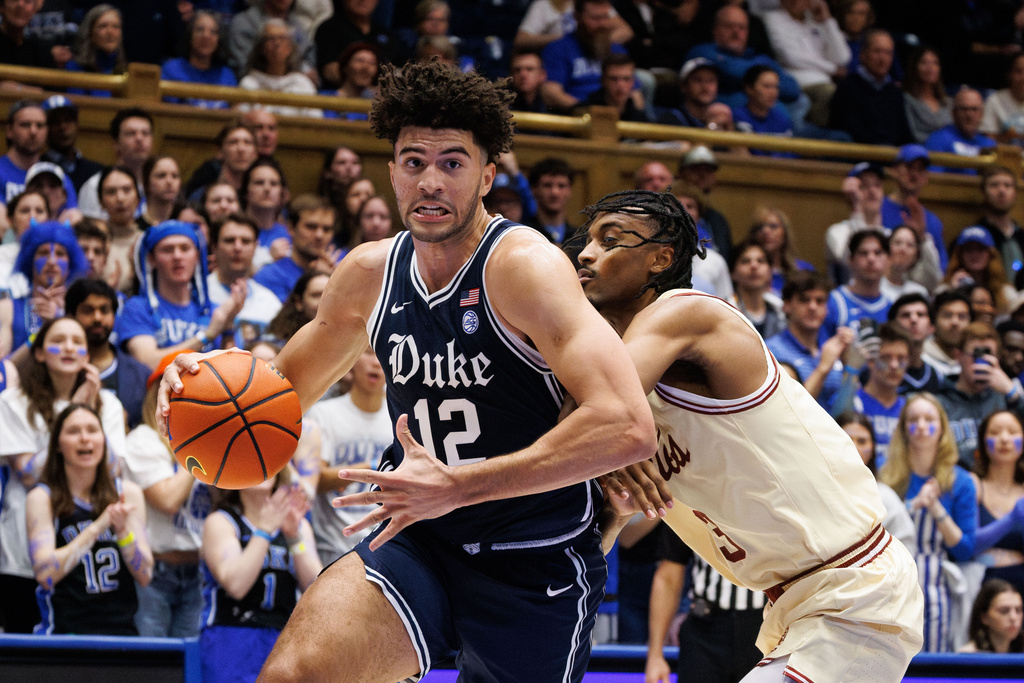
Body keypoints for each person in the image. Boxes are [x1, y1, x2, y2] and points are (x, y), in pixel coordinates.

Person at [159, 59, 655, 682]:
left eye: (453, 162)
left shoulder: (523, 265)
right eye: (414, 162)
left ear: (486, 174)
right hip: (418, 541)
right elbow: (264, 421)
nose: (432, 181)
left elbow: (628, 426)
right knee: (292, 677)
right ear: (391, 172)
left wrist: (458, 486)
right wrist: (187, 407)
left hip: (534, 557)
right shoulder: (367, 276)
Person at [573, 189, 922, 680]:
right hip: (791, 604)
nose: (586, 254)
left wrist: (605, 445)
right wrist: (612, 505)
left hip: (853, 586)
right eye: (585, 241)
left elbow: (595, 420)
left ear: (661, 258)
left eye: (610, 241)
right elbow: (597, 521)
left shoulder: (688, 313)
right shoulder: (629, 391)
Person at [0, 317, 128, 634]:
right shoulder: (13, 402)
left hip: (87, 554)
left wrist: (87, 407)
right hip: (22, 554)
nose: (69, 347)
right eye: (59, 340)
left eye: (78, 342)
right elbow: (29, 472)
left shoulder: (108, 404)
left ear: (87, 355)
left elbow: (113, 468)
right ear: (40, 352)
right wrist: (75, 407)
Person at [26, 402, 152, 635]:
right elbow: (46, 575)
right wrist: (98, 527)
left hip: (121, 635)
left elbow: (145, 575)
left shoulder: (126, 493)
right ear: (58, 446)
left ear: (104, 441)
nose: (85, 438)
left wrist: (124, 534)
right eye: (74, 431)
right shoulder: (42, 498)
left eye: (93, 430)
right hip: (63, 634)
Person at [200, 470, 320, 683]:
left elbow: (317, 590)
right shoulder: (221, 522)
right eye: (253, 464)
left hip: (283, 638)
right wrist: (264, 530)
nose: (262, 470)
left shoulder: (298, 524)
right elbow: (236, 585)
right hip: (231, 636)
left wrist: (294, 538)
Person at [880, 394, 977, 652]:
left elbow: (965, 548)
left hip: (936, 582)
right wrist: (914, 506)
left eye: (929, 419)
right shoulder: (886, 475)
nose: (922, 426)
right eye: (914, 420)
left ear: (942, 428)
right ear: (903, 429)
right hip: (891, 580)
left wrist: (935, 508)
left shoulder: (961, 481)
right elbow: (876, 531)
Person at [116, 220, 245, 369]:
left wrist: (228, 329)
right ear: (152, 259)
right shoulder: (138, 308)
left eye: (185, 248)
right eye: (167, 250)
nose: (177, 256)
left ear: (197, 256)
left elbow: (235, 370)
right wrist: (207, 335)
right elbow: (147, 362)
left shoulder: (215, 311)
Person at [305, 346, 391, 566]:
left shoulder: (399, 417)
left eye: (382, 353)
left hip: (387, 546)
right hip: (333, 547)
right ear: (351, 359)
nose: (376, 362)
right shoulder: (324, 413)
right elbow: (316, 479)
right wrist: (373, 467)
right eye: (370, 352)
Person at [936, 322, 1024, 471]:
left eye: (988, 355)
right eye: (976, 355)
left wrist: (1012, 393)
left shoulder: (1006, 398)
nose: (982, 362)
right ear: (958, 356)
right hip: (956, 484)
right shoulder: (939, 402)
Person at [65, 278, 151, 430]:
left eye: (104, 310)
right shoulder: (57, 369)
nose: (97, 318)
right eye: (88, 310)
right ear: (71, 315)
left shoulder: (141, 374)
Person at [766, 270, 854, 415]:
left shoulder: (832, 347)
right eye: (804, 300)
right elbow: (788, 412)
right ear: (787, 305)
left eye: (820, 301)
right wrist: (823, 368)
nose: (813, 307)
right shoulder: (772, 350)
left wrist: (849, 367)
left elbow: (847, 409)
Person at [836, 411, 916, 552]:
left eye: (862, 441)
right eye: (846, 439)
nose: (853, 447)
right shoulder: (816, 489)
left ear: (873, 448)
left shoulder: (884, 496)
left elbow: (906, 545)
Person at [764, 0, 850, 128]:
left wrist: (827, 21)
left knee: (853, 94)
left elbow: (842, 58)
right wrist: (832, 68)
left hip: (826, 82)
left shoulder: (816, 21)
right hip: (799, 82)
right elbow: (791, 57)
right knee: (831, 94)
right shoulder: (773, 18)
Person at [540, 0, 631, 112]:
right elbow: (551, 93)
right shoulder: (558, 48)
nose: (602, 24)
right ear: (577, 18)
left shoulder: (617, 50)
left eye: (605, 17)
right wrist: (589, 112)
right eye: (595, 18)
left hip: (616, 117)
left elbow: (636, 94)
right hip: (576, 119)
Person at [208, 213, 284, 348]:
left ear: (256, 247)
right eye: (229, 240)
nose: (238, 247)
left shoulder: (269, 302)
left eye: (246, 241)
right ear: (214, 246)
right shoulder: (199, 295)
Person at [970, 411, 1024, 597]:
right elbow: (969, 545)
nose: (1004, 439)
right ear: (983, 442)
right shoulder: (973, 483)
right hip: (981, 587)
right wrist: (1011, 519)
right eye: (994, 432)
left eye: (1012, 432)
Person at [829, 28, 913, 146]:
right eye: (877, 51)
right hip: (859, 157)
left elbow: (905, 135)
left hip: (893, 159)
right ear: (863, 54)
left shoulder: (895, 93)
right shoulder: (847, 87)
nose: (882, 58)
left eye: (888, 52)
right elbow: (852, 132)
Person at [254, 194, 337, 302]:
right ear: (291, 228)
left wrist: (332, 280)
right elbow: (285, 318)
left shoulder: (336, 276)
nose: (319, 235)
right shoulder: (270, 275)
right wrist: (316, 278)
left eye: (326, 229)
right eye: (311, 227)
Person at [77, 108, 154, 222]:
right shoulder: (95, 186)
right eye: (131, 134)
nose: (139, 138)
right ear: (116, 143)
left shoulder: (156, 184)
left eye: (145, 133)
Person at [882, 144, 948, 273]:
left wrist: (921, 238)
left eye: (920, 169)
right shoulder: (877, 210)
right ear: (894, 170)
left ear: (926, 178)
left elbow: (941, 269)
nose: (914, 174)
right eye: (909, 167)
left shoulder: (932, 221)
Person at [238, 19, 322, 119]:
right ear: (261, 48)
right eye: (271, 39)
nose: (277, 44)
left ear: (290, 48)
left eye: (282, 38)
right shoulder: (249, 83)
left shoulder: (303, 83)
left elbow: (315, 120)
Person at [852, 322, 910, 466]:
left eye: (901, 358)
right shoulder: (854, 402)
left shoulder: (910, 408)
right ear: (871, 361)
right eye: (886, 357)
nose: (894, 365)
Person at [161, 9, 238, 109]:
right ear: (190, 36)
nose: (206, 36)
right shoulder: (171, 70)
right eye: (199, 29)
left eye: (213, 32)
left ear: (219, 39)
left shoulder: (227, 76)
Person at [228, 0, 317, 80]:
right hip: (258, 88)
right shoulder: (244, 23)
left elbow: (309, 60)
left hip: (295, 87)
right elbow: (244, 68)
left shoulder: (297, 26)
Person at [40, 96, 104, 195]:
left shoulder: (97, 172)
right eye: (55, 122)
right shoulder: (37, 169)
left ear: (77, 125)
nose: (63, 127)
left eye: (68, 120)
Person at [925, 88, 996, 175]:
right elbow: (933, 179)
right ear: (953, 113)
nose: (969, 115)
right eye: (964, 109)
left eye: (974, 109)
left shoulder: (989, 145)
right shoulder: (938, 139)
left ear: (982, 114)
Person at [747, 204, 812, 297]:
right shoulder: (750, 270)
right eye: (759, 227)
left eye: (773, 226)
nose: (765, 231)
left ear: (785, 233)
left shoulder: (803, 270)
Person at [888, 293, 947, 396]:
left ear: (932, 328)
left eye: (920, 314)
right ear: (892, 325)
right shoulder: (880, 372)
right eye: (906, 315)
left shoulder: (937, 377)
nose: (914, 319)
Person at [976, 165, 1024, 288]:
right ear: (983, 191)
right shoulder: (975, 237)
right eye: (994, 185)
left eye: (1008, 186)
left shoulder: (1021, 236)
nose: (1001, 191)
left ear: (1015, 193)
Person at [65, 4, 126, 97]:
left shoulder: (126, 72)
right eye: (103, 26)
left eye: (115, 26)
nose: (110, 32)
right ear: (90, 33)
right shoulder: (74, 68)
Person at [729, 239, 785, 339]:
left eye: (761, 261)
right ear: (732, 273)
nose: (754, 266)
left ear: (770, 271)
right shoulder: (725, 310)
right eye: (745, 261)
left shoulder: (781, 310)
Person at [263, 268, 331, 341]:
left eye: (329, 295)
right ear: (299, 302)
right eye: (315, 295)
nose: (323, 302)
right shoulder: (277, 342)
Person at [903, 46, 953, 145]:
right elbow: (913, 134)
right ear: (915, 67)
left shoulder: (948, 102)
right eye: (924, 62)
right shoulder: (906, 99)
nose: (930, 67)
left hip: (950, 155)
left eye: (935, 63)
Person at [960, 579, 1024, 653]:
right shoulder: (968, 656)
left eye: (1018, 610)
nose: (1013, 617)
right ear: (984, 617)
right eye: (1004, 611)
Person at [524, 156, 575, 244]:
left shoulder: (579, 237)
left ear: (569, 190)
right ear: (534, 189)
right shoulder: (523, 233)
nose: (555, 192)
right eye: (547, 185)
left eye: (561, 186)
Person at [981, 53, 1024, 148]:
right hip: (1003, 157)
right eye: (1018, 72)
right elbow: (987, 139)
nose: (1023, 78)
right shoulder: (994, 101)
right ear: (1009, 75)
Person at [140, 156, 184, 229]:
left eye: (175, 176)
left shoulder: (187, 220)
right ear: (146, 183)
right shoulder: (136, 226)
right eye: (161, 176)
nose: (169, 181)